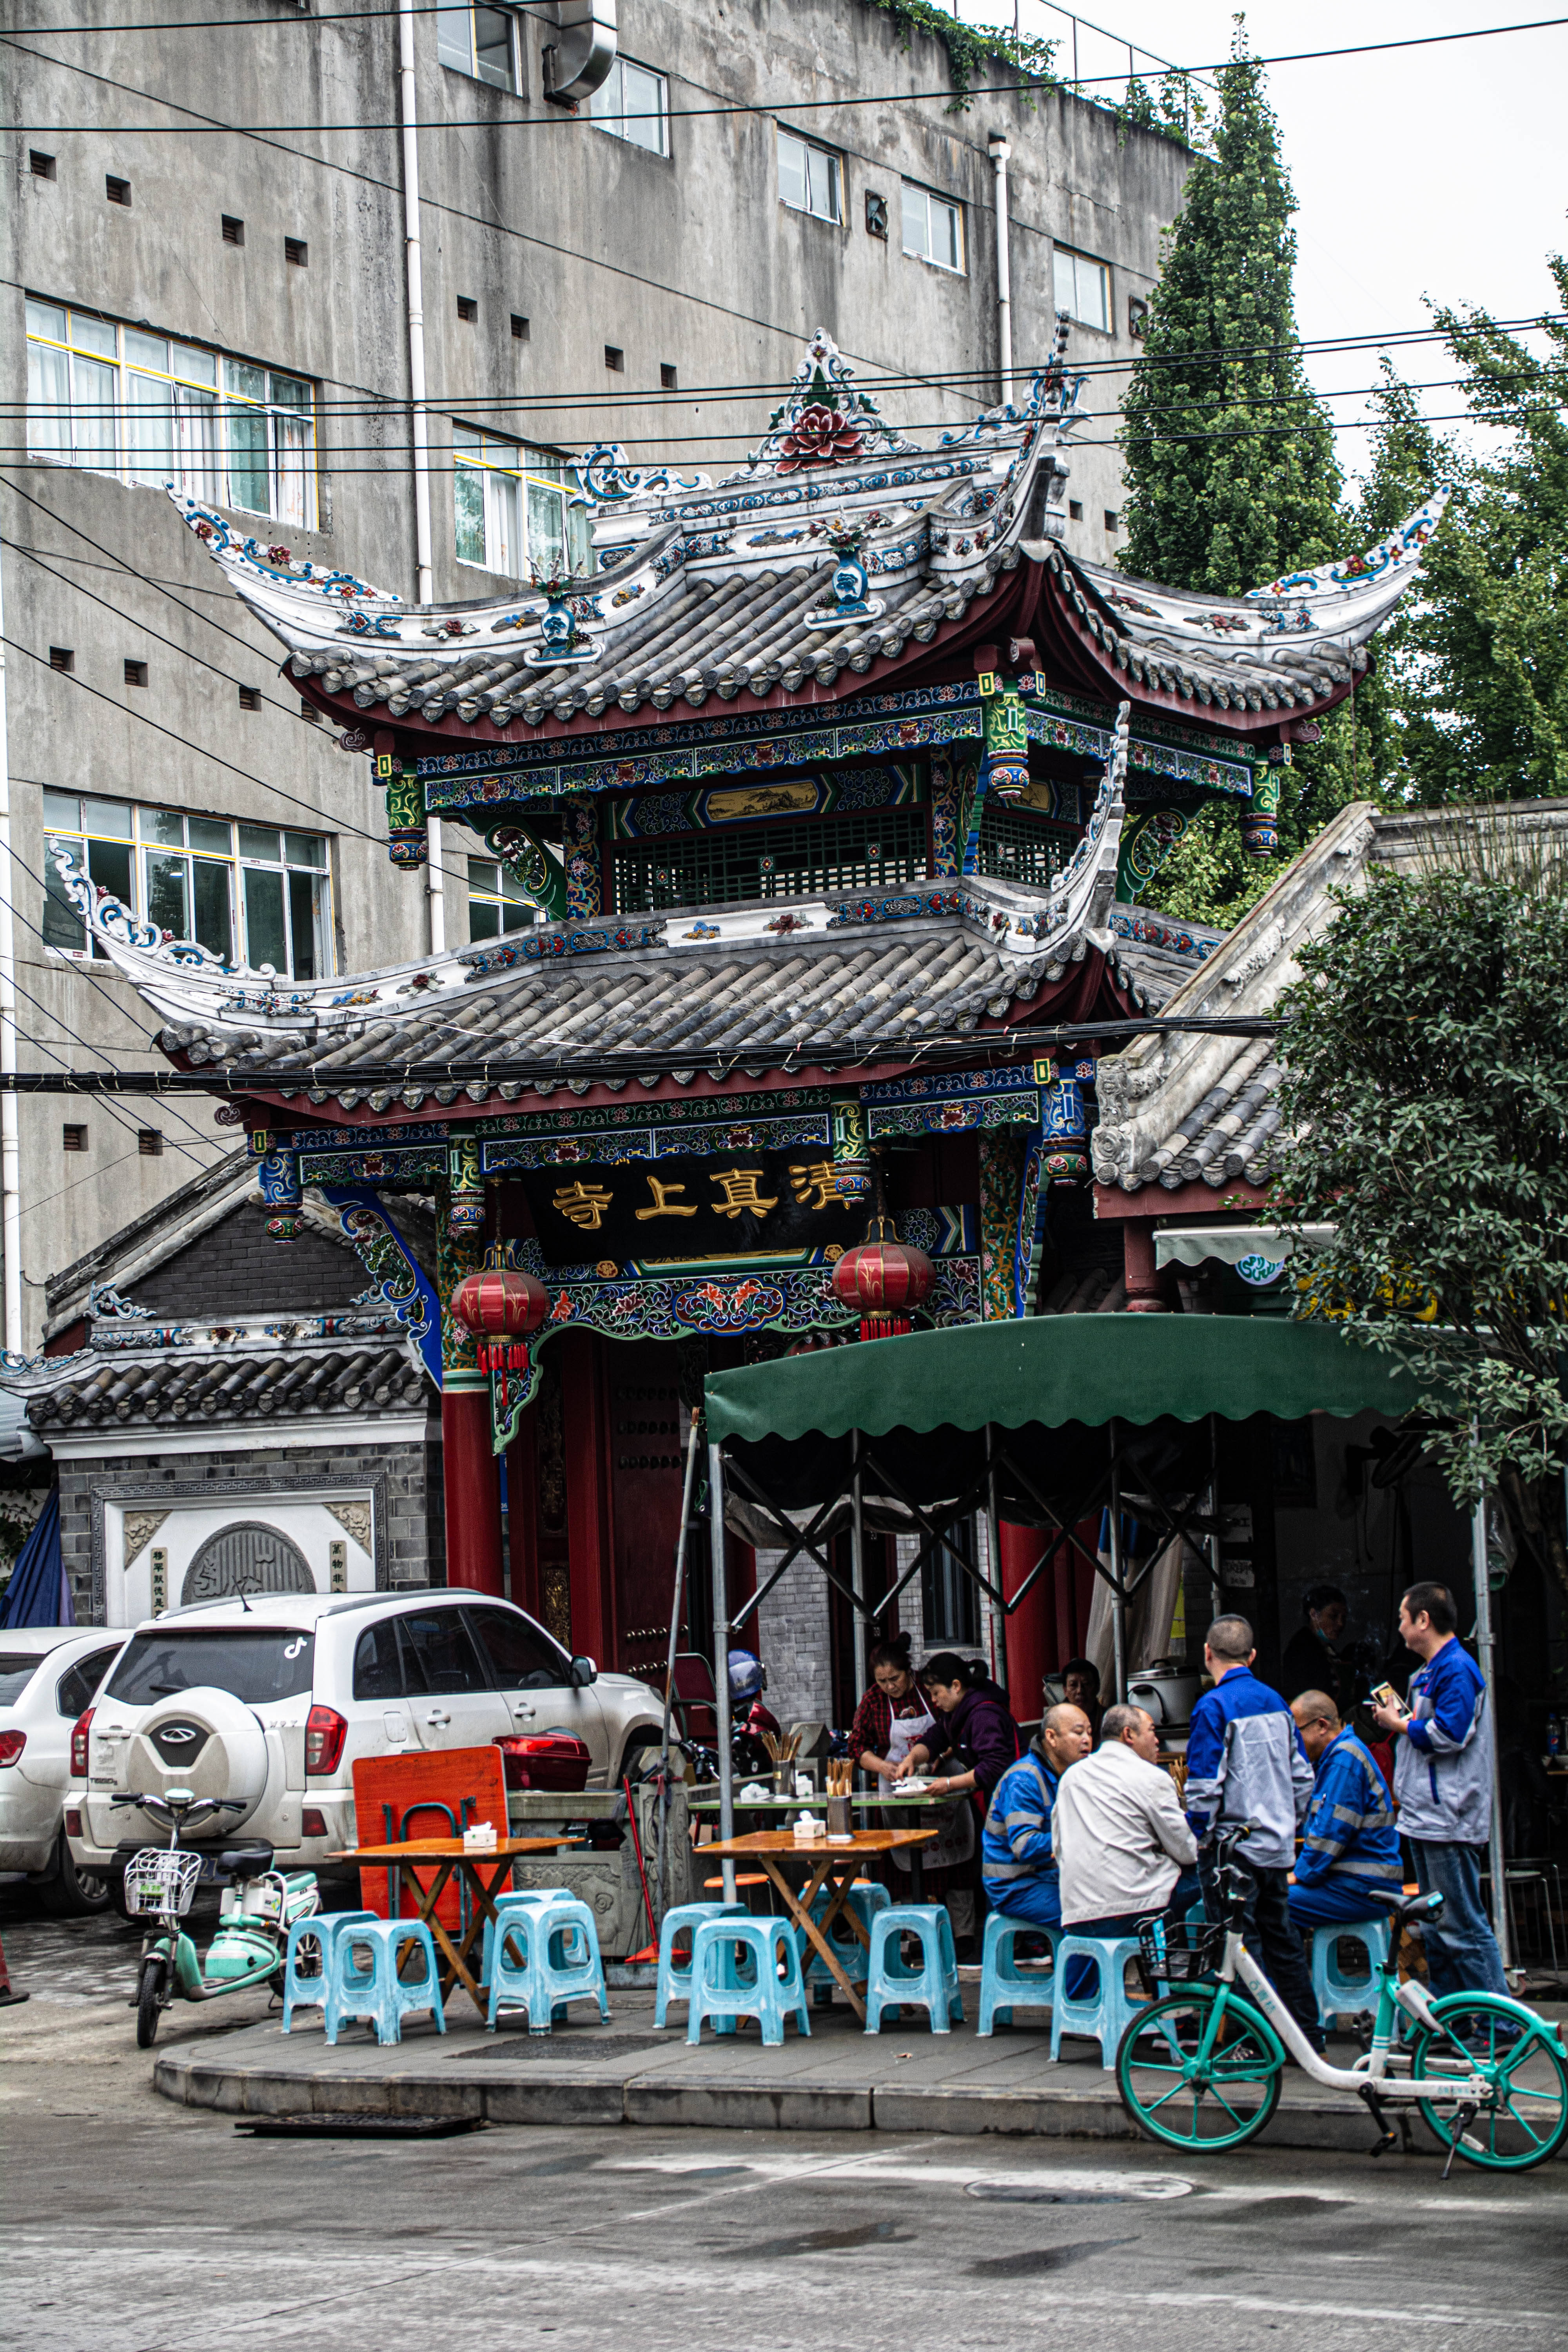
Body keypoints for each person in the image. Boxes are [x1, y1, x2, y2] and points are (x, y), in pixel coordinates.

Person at [1186, 1613, 1323, 2053]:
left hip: (1232, 1851)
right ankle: (1307, 2036)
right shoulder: (1279, 1704)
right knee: (1282, 1943)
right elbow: (1303, 1778)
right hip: (1277, 1848)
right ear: (1253, 1656)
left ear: (1207, 1654)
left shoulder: (1212, 1707)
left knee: (1238, 1950)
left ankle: (1251, 2044)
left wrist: (1199, 1836)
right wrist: (1289, 1824)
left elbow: (1205, 1787)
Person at [1370, 1581, 1508, 1999]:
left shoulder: (1456, 1668)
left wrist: (1398, 1725)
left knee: (1461, 1924)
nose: (1399, 1628)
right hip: (1425, 1817)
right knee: (1436, 1926)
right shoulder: (1430, 1671)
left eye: (1402, 1618)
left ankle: (1499, 2026)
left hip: (1448, 1816)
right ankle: (1456, 2022)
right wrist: (1405, 1720)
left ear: (1423, 1620)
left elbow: (1449, 1733)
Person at [1053, 1704, 1200, 1937]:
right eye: (1152, 1731)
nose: (1157, 1741)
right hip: (1134, 1912)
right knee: (1211, 1872)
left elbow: (1059, 1848)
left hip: (1076, 1913)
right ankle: (1177, 1963)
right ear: (1128, 1734)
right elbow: (1187, 1851)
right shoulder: (1152, 1777)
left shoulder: (1071, 1777)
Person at [1287, 1690, 1404, 1931]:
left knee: (1272, 1903)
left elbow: (1330, 1835)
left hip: (1364, 1887)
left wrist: (1298, 1875)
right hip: (1355, 1883)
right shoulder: (1335, 1759)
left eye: (1297, 1733)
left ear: (1321, 1726)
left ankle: (1284, 1971)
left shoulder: (1344, 1761)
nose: (1294, 1743)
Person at [980, 1701, 1094, 1931]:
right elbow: (1025, 1846)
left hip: (1051, 1877)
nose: (1087, 1740)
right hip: (1017, 1886)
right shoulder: (1024, 1778)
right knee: (1086, 1918)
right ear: (1051, 1738)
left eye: (1090, 1733)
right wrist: (1079, 1837)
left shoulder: (1076, 1773)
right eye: (1079, 1732)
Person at [893, 1652, 1022, 1810]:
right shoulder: (954, 1714)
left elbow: (993, 1766)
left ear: (956, 1686)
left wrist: (949, 1784)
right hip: (994, 1798)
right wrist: (912, 1759)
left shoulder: (984, 1715)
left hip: (1014, 1799)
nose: (933, 1700)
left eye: (936, 1693)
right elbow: (934, 1738)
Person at [847, 1630, 937, 1782]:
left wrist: (942, 1757)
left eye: (895, 1678)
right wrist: (881, 1766)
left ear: (908, 1671)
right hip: (895, 1779)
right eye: (882, 1681)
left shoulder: (929, 1688)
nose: (889, 1687)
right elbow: (856, 1746)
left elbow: (954, 1730)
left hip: (939, 1774)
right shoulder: (874, 1700)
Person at [1281, 1583, 1356, 1719]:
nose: (1340, 1623)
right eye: (1333, 1616)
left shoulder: (1326, 1647)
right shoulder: (1302, 1649)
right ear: (1314, 1614)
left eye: (1343, 1618)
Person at [1059, 1657, 1103, 1743]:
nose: (1080, 1691)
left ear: (1097, 1688)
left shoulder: (1108, 1720)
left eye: (1086, 1684)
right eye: (1073, 1685)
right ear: (1065, 1690)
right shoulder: (1056, 1721)